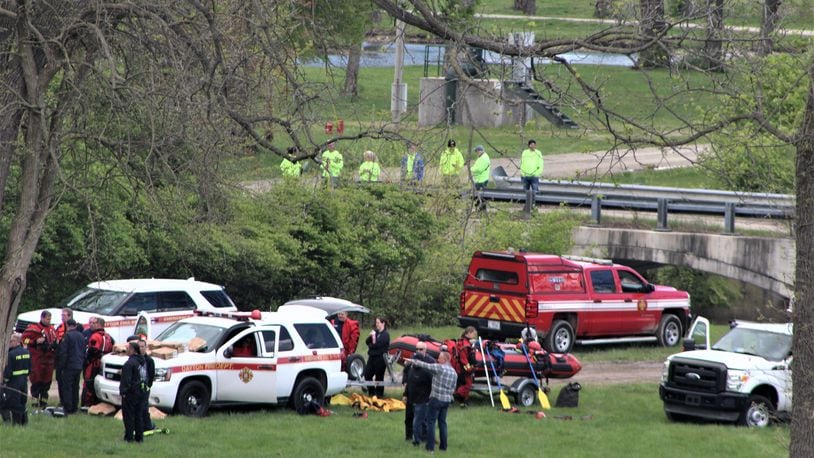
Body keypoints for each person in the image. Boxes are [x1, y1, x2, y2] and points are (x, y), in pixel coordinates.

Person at [404, 351, 457, 453]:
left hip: (436, 400)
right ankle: (443, 447)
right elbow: (453, 388)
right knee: (443, 423)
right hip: (446, 401)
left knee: (431, 423)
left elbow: (425, 365)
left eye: (440, 358)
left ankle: (430, 448)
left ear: (445, 360)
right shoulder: (454, 372)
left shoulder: (439, 368)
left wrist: (412, 361)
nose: (438, 360)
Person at [21, 310, 57, 410]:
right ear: (42, 318)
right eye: (47, 319)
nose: (49, 321)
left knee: (46, 383)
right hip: (37, 360)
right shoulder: (33, 329)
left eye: (50, 319)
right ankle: (35, 403)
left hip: (49, 360)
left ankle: (44, 403)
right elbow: (24, 339)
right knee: (36, 381)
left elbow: (55, 340)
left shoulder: (52, 329)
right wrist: (35, 341)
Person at [402, 340, 435, 446]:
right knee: (409, 418)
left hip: (424, 397)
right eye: (416, 349)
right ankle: (408, 436)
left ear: (425, 350)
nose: (418, 351)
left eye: (420, 349)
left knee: (423, 420)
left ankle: (424, 438)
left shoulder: (430, 362)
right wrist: (405, 393)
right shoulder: (411, 362)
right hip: (411, 395)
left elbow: (433, 381)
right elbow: (407, 375)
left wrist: (432, 396)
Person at [119, 341, 148, 443]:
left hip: (131, 394)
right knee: (138, 416)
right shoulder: (143, 362)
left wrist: (123, 392)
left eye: (128, 348)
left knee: (128, 416)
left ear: (132, 350)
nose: (126, 350)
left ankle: (129, 437)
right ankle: (139, 438)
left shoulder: (129, 363)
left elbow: (126, 380)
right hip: (142, 392)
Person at [82, 318, 114, 408]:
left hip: (93, 364)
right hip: (102, 364)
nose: (91, 325)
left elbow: (93, 350)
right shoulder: (108, 336)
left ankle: (87, 405)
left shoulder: (95, 336)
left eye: (94, 323)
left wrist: (87, 360)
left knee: (88, 384)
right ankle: (97, 403)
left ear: (99, 324)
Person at [56, 319, 85, 414]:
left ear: (68, 326)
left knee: (67, 386)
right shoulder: (81, 335)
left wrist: (62, 366)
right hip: (78, 364)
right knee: (75, 387)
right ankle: (74, 406)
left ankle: (68, 407)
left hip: (69, 365)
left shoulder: (67, 336)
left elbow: (64, 352)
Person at [2, 333, 31, 425]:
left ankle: (16, 423)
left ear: (16, 341)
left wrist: (4, 381)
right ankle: (24, 422)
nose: (10, 343)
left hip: (14, 382)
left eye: (11, 341)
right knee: (22, 401)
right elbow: (30, 368)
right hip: (24, 381)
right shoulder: (27, 352)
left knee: (14, 403)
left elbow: (8, 371)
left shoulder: (11, 354)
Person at [363, 317, 390, 398]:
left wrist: (372, 344)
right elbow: (367, 342)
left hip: (380, 359)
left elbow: (377, 345)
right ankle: (371, 392)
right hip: (372, 358)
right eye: (376, 323)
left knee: (379, 377)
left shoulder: (385, 335)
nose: (376, 324)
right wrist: (372, 338)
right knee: (367, 374)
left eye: (378, 323)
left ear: (383, 324)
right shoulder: (375, 332)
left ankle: (379, 394)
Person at [453, 326, 477, 407]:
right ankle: (456, 396)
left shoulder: (464, 342)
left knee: (463, 384)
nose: (474, 336)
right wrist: (470, 369)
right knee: (467, 385)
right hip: (463, 369)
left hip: (461, 367)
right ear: (469, 333)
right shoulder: (464, 345)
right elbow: (464, 360)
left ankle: (463, 402)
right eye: (473, 334)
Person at [136, 337, 156, 433]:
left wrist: (148, 386)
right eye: (139, 346)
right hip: (136, 388)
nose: (141, 348)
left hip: (145, 387)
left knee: (144, 407)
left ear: (146, 347)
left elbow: (151, 375)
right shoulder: (135, 359)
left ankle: (148, 425)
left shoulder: (150, 361)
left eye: (142, 346)